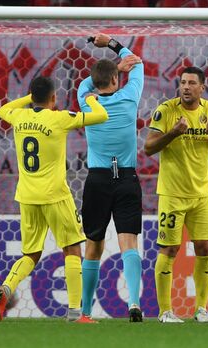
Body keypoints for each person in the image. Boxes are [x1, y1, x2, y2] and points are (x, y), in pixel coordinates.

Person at [0, 76, 108, 323]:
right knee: (72, 248)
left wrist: (30, 98)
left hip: (27, 196)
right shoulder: (59, 118)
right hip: (55, 195)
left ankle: (7, 288)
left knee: (30, 254)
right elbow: (101, 117)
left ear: (32, 95)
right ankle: (76, 313)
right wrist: (90, 100)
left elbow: (2, 109)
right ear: (54, 99)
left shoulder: (18, 117)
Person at [144, 67, 208, 324]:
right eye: (183, 83)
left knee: (204, 247)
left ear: (202, 88)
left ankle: (201, 309)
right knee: (169, 248)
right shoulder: (166, 111)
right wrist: (173, 133)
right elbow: (148, 147)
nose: (186, 87)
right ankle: (165, 312)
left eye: (192, 83)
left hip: (201, 194)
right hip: (172, 193)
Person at [77, 33, 144, 322]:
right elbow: (138, 64)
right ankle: (134, 303)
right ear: (118, 80)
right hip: (126, 179)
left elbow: (87, 83)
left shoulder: (86, 101)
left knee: (94, 245)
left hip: (98, 180)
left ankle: (85, 312)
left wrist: (113, 70)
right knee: (128, 243)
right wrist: (113, 44)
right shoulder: (130, 97)